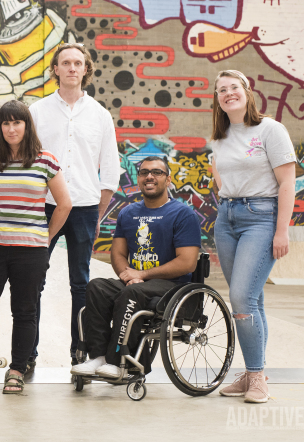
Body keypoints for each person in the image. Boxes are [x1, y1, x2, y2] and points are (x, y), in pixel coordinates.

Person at [29, 42, 120, 369]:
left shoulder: (99, 115)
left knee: (81, 283)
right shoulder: (37, 112)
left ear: (85, 69)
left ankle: (79, 350)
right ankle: (28, 354)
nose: (71, 68)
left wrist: (99, 214)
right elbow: (27, 161)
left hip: (83, 207)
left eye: (77, 63)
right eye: (64, 62)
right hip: (44, 206)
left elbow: (110, 168)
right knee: (34, 279)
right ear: (55, 69)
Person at [70, 156, 201, 378]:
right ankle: (98, 356)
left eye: (157, 172)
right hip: (137, 282)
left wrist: (142, 274)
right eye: (144, 172)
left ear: (168, 179)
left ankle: (119, 360)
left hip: (172, 286)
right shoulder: (128, 213)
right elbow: (119, 253)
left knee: (133, 291)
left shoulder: (183, 214)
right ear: (139, 179)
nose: (149, 176)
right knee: (96, 287)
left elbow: (187, 262)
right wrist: (127, 275)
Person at [210, 70, 296, 403]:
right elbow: (219, 174)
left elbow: (287, 183)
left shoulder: (271, 130)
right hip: (227, 218)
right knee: (252, 299)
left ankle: (258, 377)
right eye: (221, 90)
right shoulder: (221, 134)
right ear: (217, 99)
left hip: (261, 218)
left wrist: (281, 229)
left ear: (247, 91)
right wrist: (228, 201)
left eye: (234, 88)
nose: (228, 93)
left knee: (242, 300)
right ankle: (250, 374)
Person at [0, 100, 72, 394]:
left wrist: (45, 237)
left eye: (17, 122)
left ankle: (17, 369)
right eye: (6, 123)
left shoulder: (45, 160)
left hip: (29, 250)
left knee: (25, 310)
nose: (11, 128)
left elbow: (64, 204)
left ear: (27, 126)